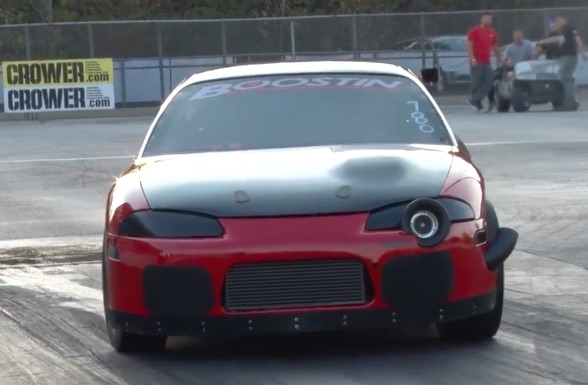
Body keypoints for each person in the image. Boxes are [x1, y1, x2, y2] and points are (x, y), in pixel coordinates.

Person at [537, 15, 587, 110]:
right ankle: (569, 102)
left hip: (568, 56)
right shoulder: (562, 31)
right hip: (563, 57)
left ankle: (570, 104)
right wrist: (542, 41)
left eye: (558, 21)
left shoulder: (569, 27)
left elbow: (577, 39)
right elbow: (556, 39)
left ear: (563, 20)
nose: (556, 23)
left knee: (566, 79)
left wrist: (582, 52)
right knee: (565, 79)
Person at [466, 11, 504, 113]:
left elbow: (495, 47)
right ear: (482, 19)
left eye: (490, 19)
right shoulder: (475, 31)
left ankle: (474, 99)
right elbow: (469, 45)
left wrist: (500, 58)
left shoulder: (492, 32)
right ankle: (477, 103)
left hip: (486, 61)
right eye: (486, 18)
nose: (488, 20)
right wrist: (472, 58)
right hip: (477, 61)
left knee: (490, 80)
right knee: (477, 83)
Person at [487, 28, 533, 110]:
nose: (518, 38)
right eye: (516, 36)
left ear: (523, 36)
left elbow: (531, 58)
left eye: (520, 36)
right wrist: (509, 65)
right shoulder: (510, 47)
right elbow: (505, 60)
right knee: (493, 77)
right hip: (513, 68)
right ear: (513, 37)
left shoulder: (528, 45)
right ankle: (494, 99)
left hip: (526, 68)